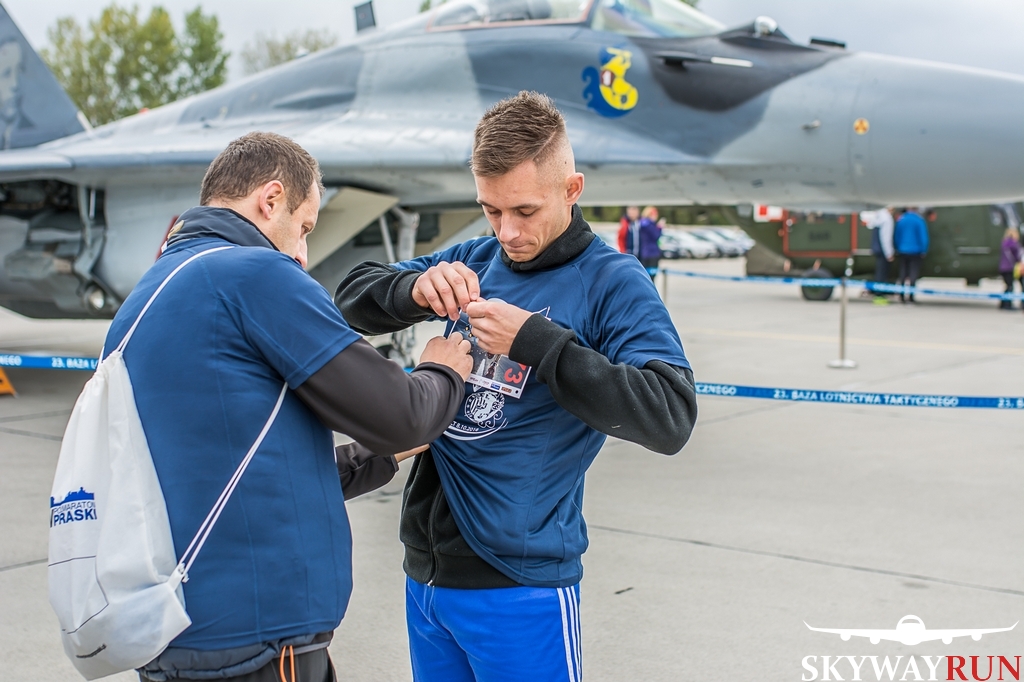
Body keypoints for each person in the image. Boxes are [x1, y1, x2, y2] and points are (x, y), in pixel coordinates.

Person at [335, 91, 698, 681]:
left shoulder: (611, 281)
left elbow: (670, 415)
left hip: (518, 587)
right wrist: (413, 290)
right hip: (426, 576)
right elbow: (350, 296)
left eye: (525, 210)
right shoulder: (476, 258)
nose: (507, 231)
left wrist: (536, 340)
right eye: (491, 209)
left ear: (571, 189)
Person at [101, 132, 473, 682]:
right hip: (259, 634)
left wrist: (379, 456)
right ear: (270, 199)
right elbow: (404, 415)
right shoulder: (255, 274)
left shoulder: (147, 295)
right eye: (304, 228)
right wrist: (441, 371)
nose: (301, 253)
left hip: (171, 631)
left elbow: (235, 471)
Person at [893, 206, 929, 303]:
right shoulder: (919, 220)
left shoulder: (901, 220)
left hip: (902, 250)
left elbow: (897, 235)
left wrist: (898, 247)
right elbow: (923, 237)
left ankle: (901, 296)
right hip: (915, 251)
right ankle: (911, 296)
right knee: (913, 274)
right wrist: (924, 249)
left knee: (903, 273)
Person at [860, 208, 894, 302]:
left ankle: (878, 294)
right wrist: (889, 253)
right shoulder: (887, 219)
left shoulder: (878, 217)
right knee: (882, 274)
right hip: (883, 250)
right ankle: (880, 295)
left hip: (877, 249)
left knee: (879, 273)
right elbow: (886, 237)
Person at [624, 205, 664, 280]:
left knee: (644, 276)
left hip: (643, 253)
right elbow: (656, 236)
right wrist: (660, 227)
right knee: (651, 277)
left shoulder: (640, 223)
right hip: (651, 254)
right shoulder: (648, 224)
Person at [998, 226, 1023, 310]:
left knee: (1008, 286)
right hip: (1010, 267)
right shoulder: (1014, 244)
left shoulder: (1004, 243)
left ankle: (1003, 303)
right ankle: (1007, 304)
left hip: (1003, 267)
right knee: (1010, 286)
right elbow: (1018, 256)